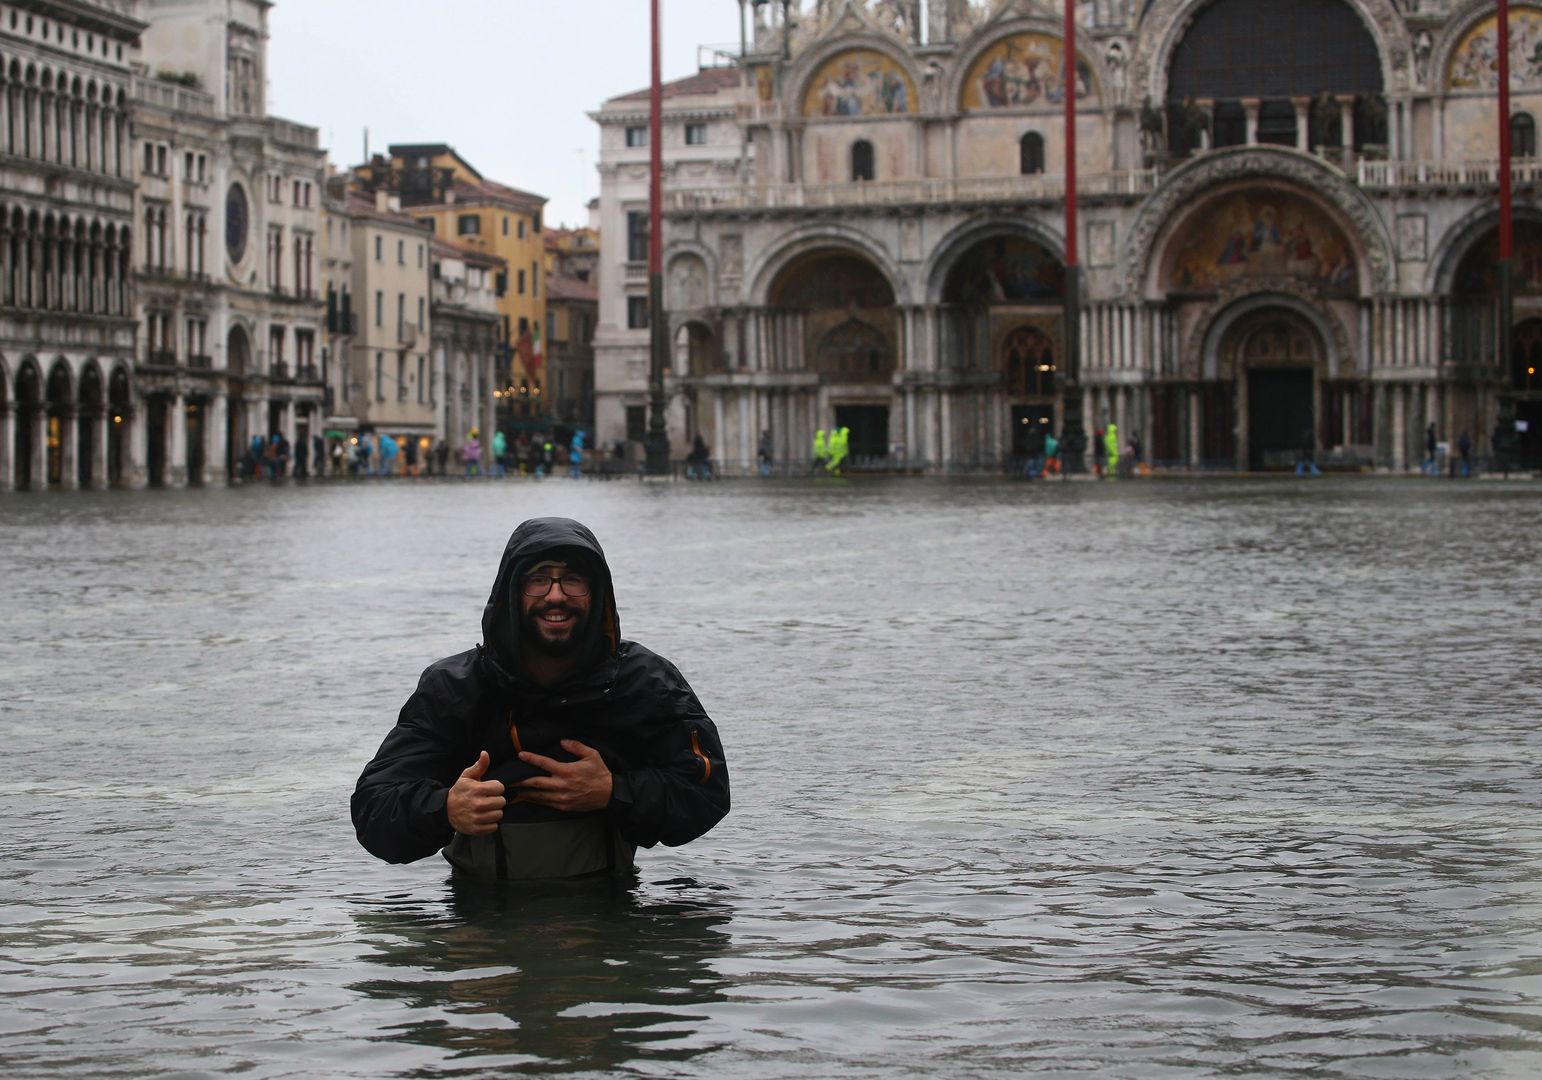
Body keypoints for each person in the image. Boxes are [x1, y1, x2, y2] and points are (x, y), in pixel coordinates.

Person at [351, 517, 731, 881]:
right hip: (479, 918)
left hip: (609, 913)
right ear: (511, 593)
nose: (556, 595)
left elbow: (707, 794)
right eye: (538, 580)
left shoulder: (645, 682)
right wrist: (445, 808)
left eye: (572, 580)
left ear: (597, 593)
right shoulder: (454, 687)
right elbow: (372, 809)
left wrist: (613, 792)